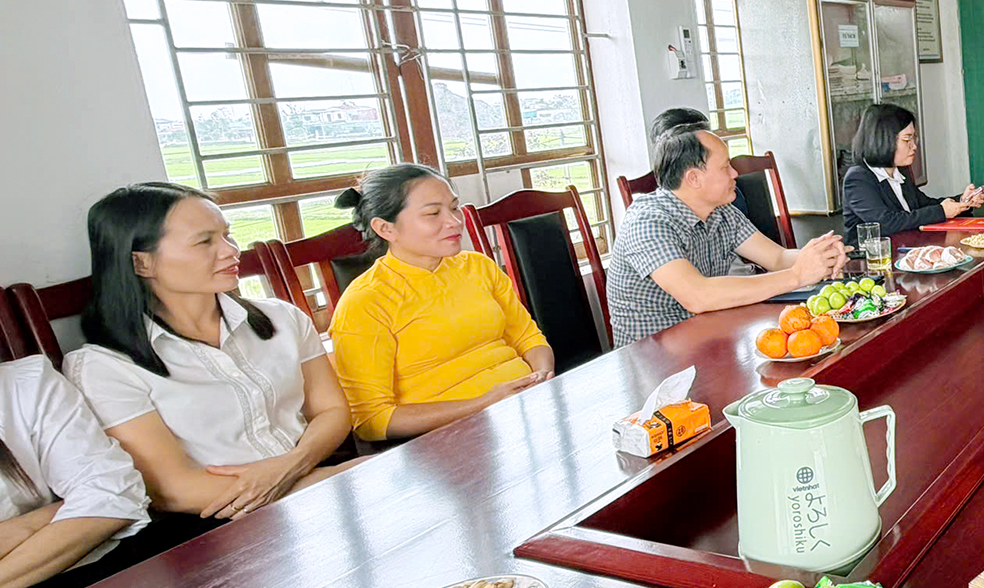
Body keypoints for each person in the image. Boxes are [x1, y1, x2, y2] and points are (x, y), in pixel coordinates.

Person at [65, 183, 355, 535]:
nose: (231, 251)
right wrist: (323, 481)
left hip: (320, 478)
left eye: (227, 235)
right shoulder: (104, 367)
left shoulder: (282, 317)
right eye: (205, 242)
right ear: (142, 261)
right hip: (214, 526)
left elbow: (332, 411)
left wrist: (292, 466)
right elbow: (172, 489)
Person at [327, 166, 554, 441]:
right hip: (446, 441)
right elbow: (373, 421)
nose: (454, 222)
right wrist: (484, 404)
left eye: (454, 208)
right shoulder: (365, 302)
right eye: (433, 213)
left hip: (526, 411)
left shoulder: (479, 266)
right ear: (386, 228)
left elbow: (528, 337)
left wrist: (542, 378)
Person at [605, 124, 847, 346]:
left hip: (708, 337)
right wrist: (796, 276)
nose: (735, 174)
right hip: (652, 357)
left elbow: (777, 258)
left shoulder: (721, 211)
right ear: (693, 178)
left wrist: (819, 255)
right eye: (725, 167)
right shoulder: (648, 221)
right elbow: (697, 296)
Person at [0, 355, 149, 588]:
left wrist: (22, 528)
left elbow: (111, 494)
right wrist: (59, 513)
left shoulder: (25, 384)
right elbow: (99, 497)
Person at [841, 104, 984, 240]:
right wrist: (941, 211)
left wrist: (962, 201)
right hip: (872, 256)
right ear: (883, 140)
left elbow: (924, 205)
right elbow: (885, 223)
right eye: (907, 139)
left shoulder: (900, 171)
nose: (914, 146)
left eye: (914, 138)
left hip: (907, 247)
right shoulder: (858, 178)